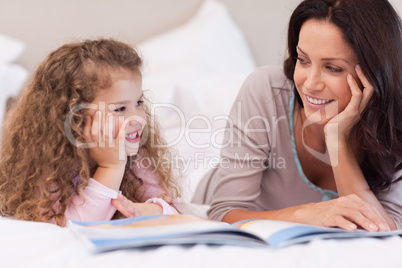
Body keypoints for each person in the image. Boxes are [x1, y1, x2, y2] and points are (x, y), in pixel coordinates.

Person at [192, 0, 402, 231]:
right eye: (303, 60)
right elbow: (223, 213)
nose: (310, 84)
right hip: (207, 208)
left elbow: (383, 232)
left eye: (333, 68)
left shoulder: (394, 128)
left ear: (375, 74)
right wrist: (306, 213)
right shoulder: (268, 92)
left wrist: (337, 141)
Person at [0, 38, 182, 226]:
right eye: (120, 109)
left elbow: (175, 210)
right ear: (74, 116)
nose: (139, 118)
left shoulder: (136, 155)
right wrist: (111, 167)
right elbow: (71, 224)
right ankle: (10, 114)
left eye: (138, 103)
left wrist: (147, 210)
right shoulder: (50, 160)